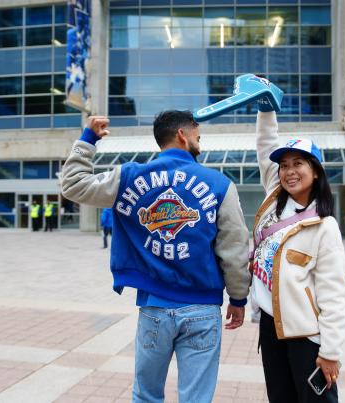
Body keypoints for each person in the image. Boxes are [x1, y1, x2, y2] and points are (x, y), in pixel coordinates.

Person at [61, 111, 251, 403]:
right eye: (198, 135)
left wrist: (88, 139)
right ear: (182, 136)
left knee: (147, 396)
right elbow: (235, 249)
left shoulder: (129, 176)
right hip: (202, 308)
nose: (200, 140)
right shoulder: (219, 184)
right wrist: (238, 299)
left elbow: (72, 185)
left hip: (155, 308)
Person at [250, 108, 345, 403]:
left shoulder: (324, 226)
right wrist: (265, 106)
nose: (289, 171)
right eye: (284, 165)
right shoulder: (273, 201)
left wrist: (330, 352)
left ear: (315, 170)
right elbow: (266, 143)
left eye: (298, 164)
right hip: (270, 327)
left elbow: (334, 295)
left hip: (305, 335)